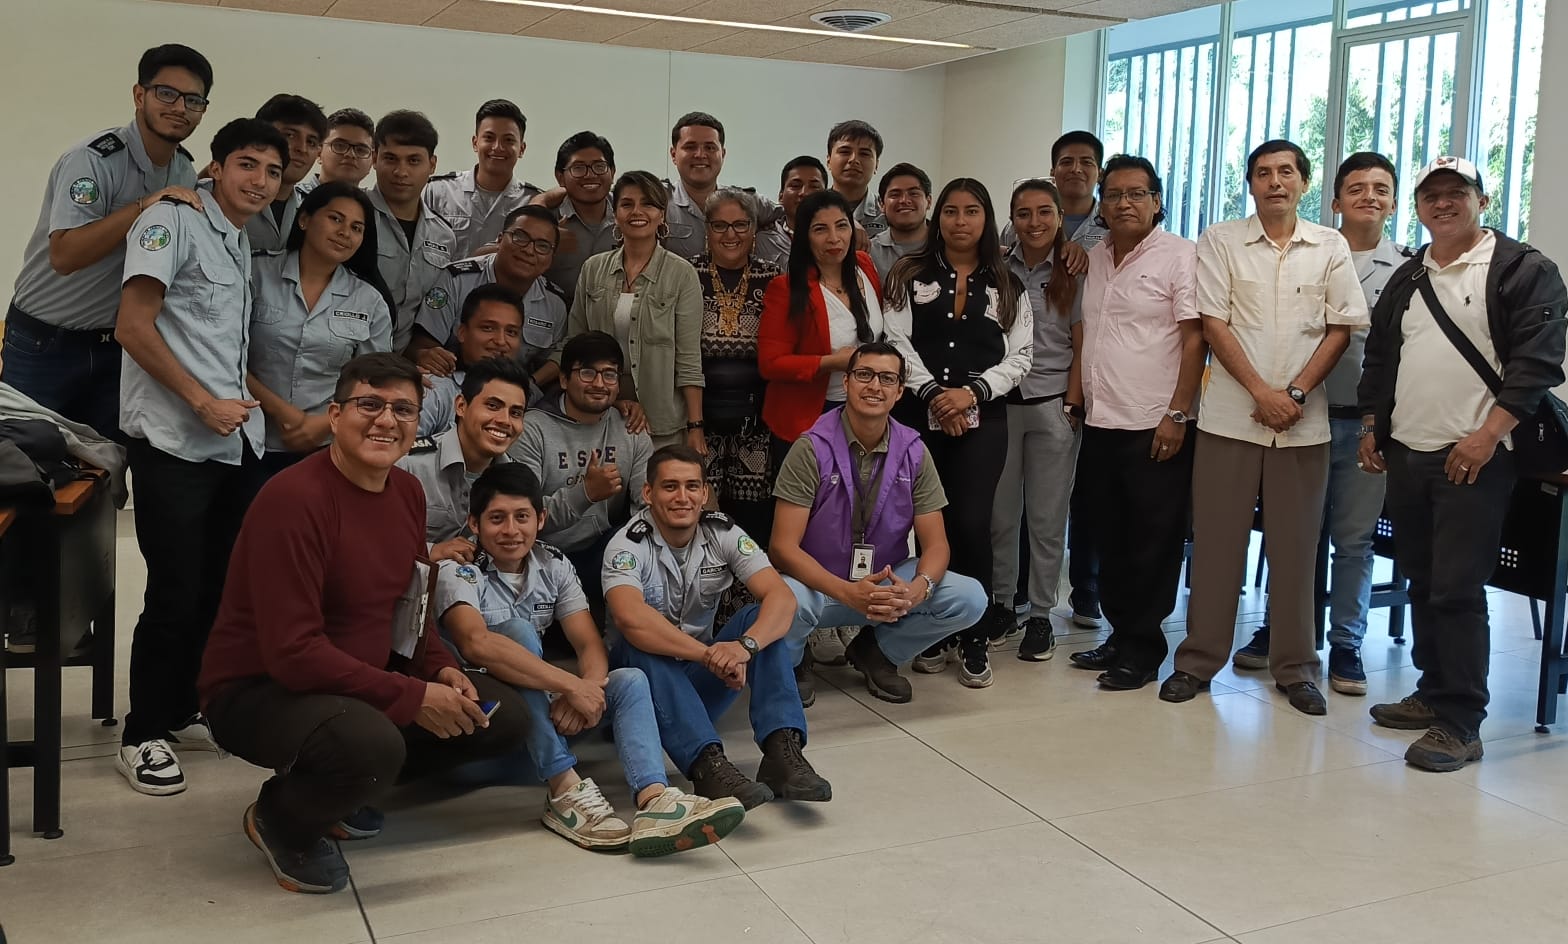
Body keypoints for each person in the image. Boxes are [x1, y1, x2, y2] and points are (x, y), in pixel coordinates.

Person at [199, 353, 530, 895]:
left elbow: (411, 604)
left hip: (353, 678)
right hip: (259, 689)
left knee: (500, 717)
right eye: (369, 404)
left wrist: (440, 669)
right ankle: (282, 816)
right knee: (372, 745)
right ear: (335, 415)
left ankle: (338, 788)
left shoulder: (406, 491)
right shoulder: (293, 499)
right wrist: (411, 697)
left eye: (403, 409)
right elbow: (293, 653)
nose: (386, 420)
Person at [1358, 156, 1567, 771]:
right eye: (1432, 195)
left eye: (1457, 192)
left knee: (1457, 587)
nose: (1443, 203)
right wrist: (1373, 426)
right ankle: (1433, 691)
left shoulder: (1522, 269)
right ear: (1418, 206)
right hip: (1408, 451)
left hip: (1476, 456)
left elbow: (1536, 364)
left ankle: (1461, 722)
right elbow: (1382, 357)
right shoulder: (1410, 274)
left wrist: (1487, 437)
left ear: (1482, 200)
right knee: (1422, 578)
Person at [435, 463, 745, 856]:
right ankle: (563, 790)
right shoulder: (457, 569)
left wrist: (591, 689)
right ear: (474, 524)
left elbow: (588, 644)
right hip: (484, 726)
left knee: (629, 680)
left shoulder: (553, 563)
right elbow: (476, 643)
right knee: (518, 634)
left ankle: (654, 799)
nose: (511, 530)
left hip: (537, 724)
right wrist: (569, 685)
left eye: (522, 517)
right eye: (497, 519)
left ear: (540, 519)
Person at [1161, 140, 1368, 715]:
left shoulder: (1329, 246)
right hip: (1231, 418)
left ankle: (1296, 668)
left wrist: (1293, 394)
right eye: (1263, 173)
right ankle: (1197, 661)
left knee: (1297, 550)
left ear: (1303, 182)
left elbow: (1340, 328)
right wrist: (1261, 393)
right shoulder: (1221, 240)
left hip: (1303, 423)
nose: (1275, 182)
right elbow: (1214, 323)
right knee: (1216, 545)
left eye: (1286, 172)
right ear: (1250, 183)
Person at [114, 118, 289, 796]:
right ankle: (141, 734)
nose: (260, 181)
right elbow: (133, 326)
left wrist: (234, 412)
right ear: (214, 166)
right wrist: (201, 403)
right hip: (175, 438)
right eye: (247, 164)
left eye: (272, 171)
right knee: (174, 590)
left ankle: (182, 703)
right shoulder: (171, 222)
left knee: (217, 585)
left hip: (232, 442)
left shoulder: (237, 240)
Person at [1230, 152, 1416, 694]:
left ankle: (1346, 644)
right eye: (1356, 188)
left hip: (1366, 425)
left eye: (1380, 189)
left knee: (1354, 540)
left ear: (1394, 203)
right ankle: (1282, 630)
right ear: (1334, 201)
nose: (1368, 197)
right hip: (1300, 416)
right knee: (1292, 536)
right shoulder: (1306, 252)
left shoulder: (1410, 270)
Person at [602, 445, 830, 809]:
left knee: (760, 621)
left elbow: (782, 598)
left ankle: (781, 753)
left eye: (692, 486)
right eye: (670, 487)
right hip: (641, 697)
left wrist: (744, 647)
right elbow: (630, 617)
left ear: (704, 492)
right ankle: (708, 767)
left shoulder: (721, 532)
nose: (682, 497)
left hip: (696, 682)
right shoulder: (627, 546)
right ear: (648, 493)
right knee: (639, 644)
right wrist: (709, 655)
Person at [3, 44, 211, 438]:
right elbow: (64, 255)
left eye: (193, 100)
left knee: (106, 460)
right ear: (139, 95)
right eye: (167, 93)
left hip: (116, 348)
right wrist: (144, 205)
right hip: (44, 343)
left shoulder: (184, 171)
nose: (180, 107)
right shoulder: (93, 159)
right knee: (23, 457)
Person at [770, 342, 987, 704]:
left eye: (887, 378)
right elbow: (781, 548)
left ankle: (878, 652)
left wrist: (918, 589)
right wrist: (846, 592)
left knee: (969, 598)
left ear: (900, 391)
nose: (874, 386)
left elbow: (936, 544)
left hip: (884, 583)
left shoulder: (914, 451)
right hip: (819, 586)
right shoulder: (810, 448)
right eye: (864, 375)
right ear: (846, 382)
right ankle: (794, 662)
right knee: (784, 598)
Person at [884, 178, 1032, 689]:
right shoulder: (908, 274)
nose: (960, 221)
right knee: (927, 523)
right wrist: (934, 395)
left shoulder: (1008, 282)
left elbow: (1022, 355)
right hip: (916, 416)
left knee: (971, 523)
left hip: (984, 418)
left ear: (986, 219)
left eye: (972, 211)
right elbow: (895, 340)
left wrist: (969, 394)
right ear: (938, 217)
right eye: (951, 211)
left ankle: (974, 633)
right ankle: (932, 630)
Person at [1064, 156, 1203, 690]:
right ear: (1102, 203)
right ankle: (1120, 635)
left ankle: (1144, 649)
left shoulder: (1180, 256)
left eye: (1136, 194)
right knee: (1110, 536)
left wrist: (1178, 413)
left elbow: (1194, 339)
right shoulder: (1096, 257)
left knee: (1152, 541)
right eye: (1115, 194)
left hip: (1155, 423)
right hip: (1102, 420)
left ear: (1156, 201)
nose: (1124, 203)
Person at [988, 178, 1084, 664]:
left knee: (1046, 520)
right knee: (1001, 516)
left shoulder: (1075, 269)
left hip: (1052, 405)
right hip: (1002, 406)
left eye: (1044, 212)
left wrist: (1072, 403)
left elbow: (1083, 342)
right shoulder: (996, 268)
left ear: (1059, 216)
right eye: (1023, 213)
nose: (1034, 222)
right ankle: (1003, 605)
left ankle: (1042, 614)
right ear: (1012, 220)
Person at [245, 181, 394, 480]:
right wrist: (283, 412)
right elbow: (228, 354)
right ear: (304, 219)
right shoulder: (256, 272)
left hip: (326, 446)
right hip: (246, 437)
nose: (345, 233)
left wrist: (322, 424)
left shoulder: (370, 300)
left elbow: (375, 383)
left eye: (356, 228)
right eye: (335, 219)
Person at [559, 169, 705, 449]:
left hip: (661, 420)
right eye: (627, 204)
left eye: (648, 204)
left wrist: (695, 426)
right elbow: (575, 344)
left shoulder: (681, 273)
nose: (637, 211)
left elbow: (689, 359)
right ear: (615, 214)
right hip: (598, 411)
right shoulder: (593, 268)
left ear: (662, 214)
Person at [511, 331, 653, 610]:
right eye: (587, 373)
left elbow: (648, 504)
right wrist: (585, 493)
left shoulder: (630, 427)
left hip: (604, 554)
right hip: (540, 557)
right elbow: (521, 517)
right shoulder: (532, 429)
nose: (599, 384)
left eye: (609, 375)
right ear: (564, 379)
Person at [757, 189, 883, 452]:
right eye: (820, 229)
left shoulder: (864, 265)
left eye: (842, 226)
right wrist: (831, 362)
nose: (834, 238)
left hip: (865, 409)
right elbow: (770, 363)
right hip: (811, 414)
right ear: (805, 236)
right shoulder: (786, 288)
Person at [694, 188, 781, 544]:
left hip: (757, 422)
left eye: (740, 225)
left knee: (752, 522)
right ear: (707, 229)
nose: (730, 234)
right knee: (702, 518)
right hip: (698, 419)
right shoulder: (688, 274)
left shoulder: (773, 277)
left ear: (754, 230)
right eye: (720, 225)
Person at [407, 204, 566, 392]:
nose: (529, 250)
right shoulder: (456, 279)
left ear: (552, 258)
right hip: (451, 384)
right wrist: (427, 355)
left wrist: (530, 384)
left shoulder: (554, 304)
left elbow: (551, 363)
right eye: (520, 237)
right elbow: (422, 343)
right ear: (499, 239)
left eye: (542, 246)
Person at [398, 356, 530, 561]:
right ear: (461, 406)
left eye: (515, 413)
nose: (505, 420)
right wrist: (431, 551)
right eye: (493, 406)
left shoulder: (517, 480)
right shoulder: (409, 464)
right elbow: (371, 537)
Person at [366, 110, 455, 352]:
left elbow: (435, 305)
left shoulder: (443, 235)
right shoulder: (353, 216)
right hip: (349, 356)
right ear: (374, 159)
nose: (401, 172)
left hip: (405, 362)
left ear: (432, 165)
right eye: (391, 159)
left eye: (414, 161)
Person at [424, 99, 540, 258]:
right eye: (489, 138)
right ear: (475, 143)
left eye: (508, 140)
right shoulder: (438, 191)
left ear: (522, 149)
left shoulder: (533, 202)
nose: (497, 147)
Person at [417, 283, 524, 437]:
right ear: (462, 332)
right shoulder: (435, 390)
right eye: (488, 328)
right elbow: (401, 448)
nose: (501, 341)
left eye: (511, 332)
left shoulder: (530, 396)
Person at [245, 94, 327, 253]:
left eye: (311, 142)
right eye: (290, 135)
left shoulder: (308, 212)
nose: (302, 148)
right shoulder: (222, 195)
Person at [544, 131, 617, 305]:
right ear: (560, 177)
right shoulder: (544, 217)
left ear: (613, 172)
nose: (590, 175)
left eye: (599, 166)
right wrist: (544, 239)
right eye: (578, 168)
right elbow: (494, 256)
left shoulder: (628, 212)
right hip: (556, 313)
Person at [756, 156, 827, 268]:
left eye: (814, 187)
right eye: (795, 186)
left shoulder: (838, 239)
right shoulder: (761, 241)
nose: (804, 193)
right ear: (781, 196)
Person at [869, 163, 931, 281]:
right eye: (895, 195)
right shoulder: (870, 253)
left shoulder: (947, 246)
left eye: (913, 193)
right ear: (881, 204)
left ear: (929, 201)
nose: (904, 200)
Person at [826, 120, 886, 238]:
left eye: (864, 154)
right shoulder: (811, 209)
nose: (854, 159)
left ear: (876, 165)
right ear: (828, 161)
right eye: (845, 152)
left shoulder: (887, 213)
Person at [297, 107, 375, 194]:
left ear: (372, 161)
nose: (350, 154)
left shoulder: (372, 202)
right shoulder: (291, 196)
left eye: (360, 150)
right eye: (340, 146)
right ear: (319, 152)